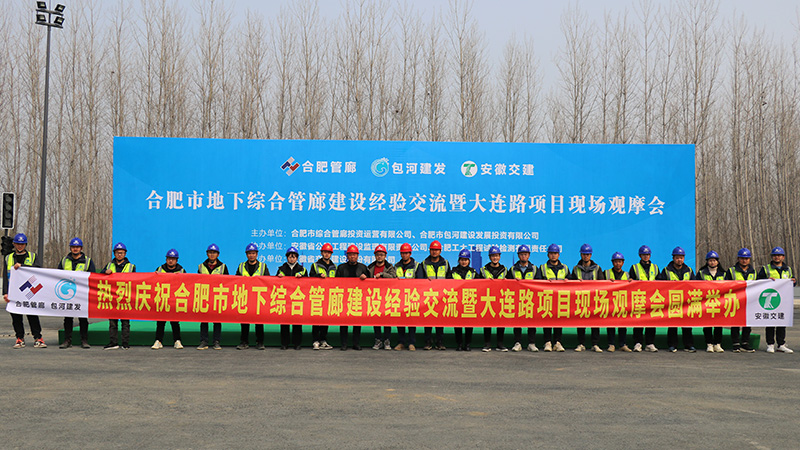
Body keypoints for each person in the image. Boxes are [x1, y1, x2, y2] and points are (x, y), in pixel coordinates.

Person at [3, 233, 45, 349]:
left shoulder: (32, 256)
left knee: (32, 315)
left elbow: (38, 270)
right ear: (14, 244)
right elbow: (5, 275)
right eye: (18, 244)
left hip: (29, 291)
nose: (20, 246)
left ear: (25, 244)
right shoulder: (8, 258)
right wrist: (5, 293)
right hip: (14, 292)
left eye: (22, 244)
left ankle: (38, 338)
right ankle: (19, 338)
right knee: (16, 317)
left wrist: (22, 266)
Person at [58, 237, 96, 349]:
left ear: (81, 248)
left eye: (77, 247)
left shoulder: (88, 261)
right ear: (70, 248)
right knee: (68, 318)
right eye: (73, 247)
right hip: (67, 294)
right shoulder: (64, 260)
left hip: (82, 294)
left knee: (83, 318)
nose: (75, 249)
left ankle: (84, 340)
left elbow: (93, 277)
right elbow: (57, 275)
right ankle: (67, 340)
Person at [657, 246, 695, 352]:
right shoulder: (666, 270)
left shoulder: (689, 270)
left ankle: (688, 345)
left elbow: (695, 284)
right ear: (673, 258)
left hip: (686, 302)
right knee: (672, 325)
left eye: (681, 258)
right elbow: (659, 285)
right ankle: (672, 345)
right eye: (677, 258)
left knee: (687, 325)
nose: (679, 260)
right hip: (672, 302)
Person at [758, 247, 795, 354]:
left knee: (782, 321)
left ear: (783, 257)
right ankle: (770, 344)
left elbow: (792, 281)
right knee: (770, 321)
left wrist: (794, 281)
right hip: (770, 299)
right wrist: (766, 280)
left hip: (783, 300)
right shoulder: (766, 269)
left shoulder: (788, 269)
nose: (777, 257)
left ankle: (781, 344)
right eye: (774, 255)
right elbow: (758, 281)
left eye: (779, 255)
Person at [415, 240, 450, 350]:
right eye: (432, 250)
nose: (434, 252)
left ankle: (440, 342)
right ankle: (428, 342)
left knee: (440, 320)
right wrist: (426, 280)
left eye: (436, 250)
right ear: (429, 250)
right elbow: (420, 279)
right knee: (428, 319)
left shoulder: (446, 263)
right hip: (428, 296)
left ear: (440, 251)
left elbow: (449, 279)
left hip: (441, 296)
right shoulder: (424, 264)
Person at [236, 243, 270, 350]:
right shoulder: (241, 266)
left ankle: (260, 342)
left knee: (259, 321)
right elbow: (236, 280)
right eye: (249, 253)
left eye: (253, 253)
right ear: (246, 255)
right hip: (245, 297)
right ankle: (244, 342)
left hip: (258, 297)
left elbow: (268, 280)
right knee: (244, 321)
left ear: (257, 254)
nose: (251, 255)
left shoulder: (263, 266)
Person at [571, 244, 604, 352]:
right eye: (584, 254)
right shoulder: (576, 269)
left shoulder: (597, 268)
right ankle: (581, 344)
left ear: (591, 255)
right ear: (581, 255)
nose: (586, 256)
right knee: (581, 323)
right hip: (581, 300)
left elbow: (603, 284)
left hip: (594, 300)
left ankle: (595, 344)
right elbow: (571, 284)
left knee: (595, 323)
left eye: (588, 254)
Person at [102, 242, 136, 350]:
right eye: (117, 253)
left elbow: (135, 281)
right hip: (112, 297)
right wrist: (105, 272)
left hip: (125, 298)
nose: (119, 255)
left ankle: (125, 343)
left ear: (125, 254)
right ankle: (113, 342)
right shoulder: (109, 265)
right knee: (112, 322)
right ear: (114, 254)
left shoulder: (131, 266)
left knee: (125, 322)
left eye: (121, 253)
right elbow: (99, 276)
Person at [506, 244, 539, 352]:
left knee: (532, 322)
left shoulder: (534, 269)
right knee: (517, 322)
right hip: (517, 299)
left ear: (529, 255)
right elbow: (507, 285)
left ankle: (531, 343)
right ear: (518, 255)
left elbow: (540, 284)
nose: (523, 256)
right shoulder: (512, 269)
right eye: (521, 254)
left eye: (525, 254)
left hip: (531, 299)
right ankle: (517, 343)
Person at [537, 243, 568, 352]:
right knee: (547, 320)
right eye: (551, 253)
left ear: (558, 255)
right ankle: (548, 342)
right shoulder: (542, 268)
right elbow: (537, 282)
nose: (553, 255)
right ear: (548, 255)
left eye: (555, 253)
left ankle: (558, 342)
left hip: (560, 299)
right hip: (547, 298)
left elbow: (571, 281)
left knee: (559, 321)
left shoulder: (565, 268)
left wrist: (568, 281)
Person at [336, 245, 368, 350]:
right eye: (350, 254)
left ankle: (356, 343)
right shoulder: (341, 268)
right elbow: (335, 283)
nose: (352, 256)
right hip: (344, 298)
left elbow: (370, 283)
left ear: (357, 256)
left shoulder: (363, 268)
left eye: (354, 254)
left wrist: (365, 278)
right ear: (347, 256)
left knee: (357, 322)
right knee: (343, 322)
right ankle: (344, 344)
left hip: (357, 298)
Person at [724, 248, 757, 352]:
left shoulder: (753, 272)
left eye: (746, 258)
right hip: (736, 300)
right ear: (738, 259)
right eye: (742, 258)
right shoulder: (731, 271)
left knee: (747, 323)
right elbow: (725, 284)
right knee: (735, 322)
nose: (744, 260)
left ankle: (745, 343)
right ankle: (736, 343)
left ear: (749, 259)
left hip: (749, 300)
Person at [197, 243, 228, 350]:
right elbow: (196, 281)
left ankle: (216, 341)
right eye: (210, 252)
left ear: (218, 255)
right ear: (207, 254)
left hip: (217, 296)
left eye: (214, 253)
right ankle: (204, 341)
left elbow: (228, 282)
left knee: (217, 320)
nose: (212, 254)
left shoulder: (223, 267)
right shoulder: (201, 266)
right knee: (204, 320)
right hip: (204, 296)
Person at [153, 249, 185, 349]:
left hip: (174, 300)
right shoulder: (160, 269)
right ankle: (158, 341)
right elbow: (153, 282)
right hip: (162, 299)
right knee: (160, 321)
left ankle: (177, 341)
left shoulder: (181, 271)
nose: (171, 261)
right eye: (169, 258)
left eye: (173, 259)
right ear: (166, 259)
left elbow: (186, 284)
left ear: (176, 260)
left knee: (175, 322)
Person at [477, 245, 507, 352]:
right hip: (488, 298)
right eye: (493, 256)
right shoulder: (483, 270)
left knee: (501, 322)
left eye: (497, 256)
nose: (495, 258)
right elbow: (478, 284)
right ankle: (487, 344)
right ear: (489, 257)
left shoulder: (504, 270)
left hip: (500, 299)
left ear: (499, 257)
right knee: (487, 321)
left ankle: (500, 344)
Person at [630, 245, 659, 352]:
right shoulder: (634, 267)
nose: (646, 257)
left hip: (652, 298)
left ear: (650, 255)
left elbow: (660, 282)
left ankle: (650, 343)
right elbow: (630, 282)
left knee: (651, 321)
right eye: (643, 255)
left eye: (647, 255)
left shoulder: (655, 267)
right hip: (639, 298)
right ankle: (638, 343)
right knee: (638, 321)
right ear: (640, 255)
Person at [276, 246, 306, 350]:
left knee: (297, 322)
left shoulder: (302, 269)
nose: (292, 259)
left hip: (297, 299)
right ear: (287, 257)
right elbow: (275, 283)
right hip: (284, 299)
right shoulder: (281, 269)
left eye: (294, 257)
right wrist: (279, 277)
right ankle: (284, 343)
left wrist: (302, 278)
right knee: (284, 322)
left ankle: (297, 343)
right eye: (290, 257)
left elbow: (308, 283)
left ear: (297, 258)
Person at [447, 248, 477, 351]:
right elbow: (447, 284)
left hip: (469, 301)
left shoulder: (473, 272)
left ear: (469, 261)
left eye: (466, 260)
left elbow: (480, 285)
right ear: (459, 260)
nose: (464, 262)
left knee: (469, 324)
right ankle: (459, 344)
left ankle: (468, 344)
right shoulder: (453, 272)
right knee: (457, 324)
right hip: (457, 300)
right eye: (462, 259)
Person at [368, 245, 396, 350]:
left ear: (385, 256)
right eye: (378, 255)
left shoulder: (390, 267)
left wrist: (382, 274)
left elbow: (393, 277)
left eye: (381, 255)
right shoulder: (370, 267)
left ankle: (387, 340)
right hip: (375, 296)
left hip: (387, 296)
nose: (379, 256)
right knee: (376, 319)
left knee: (387, 319)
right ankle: (378, 340)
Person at [696, 251, 725, 353]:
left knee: (719, 324)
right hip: (706, 303)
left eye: (714, 260)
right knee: (707, 324)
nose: (712, 262)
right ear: (707, 262)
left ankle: (718, 344)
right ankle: (709, 344)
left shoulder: (723, 273)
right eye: (710, 260)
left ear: (717, 262)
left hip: (719, 303)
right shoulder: (701, 273)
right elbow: (696, 286)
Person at [308, 243, 336, 350]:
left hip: (329, 295)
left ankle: (323, 340)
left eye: (329, 252)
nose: (327, 254)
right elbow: (310, 279)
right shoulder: (315, 265)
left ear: (331, 254)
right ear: (321, 253)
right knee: (316, 319)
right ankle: (315, 340)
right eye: (325, 252)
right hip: (317, 294)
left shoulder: (334, 267)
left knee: (325, 319)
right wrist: (318, 276)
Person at [393, 243, 418, 351]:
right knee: (400, 320)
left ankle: (411, 343)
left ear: (410, 254)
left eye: (406, 253)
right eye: (403, 253)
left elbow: (420, 281)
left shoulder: (416, 265)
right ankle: (401, 342)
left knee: (412, 320)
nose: (404, 255)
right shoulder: (396, 266)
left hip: (412, 296)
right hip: (399, 297)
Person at [605, 252, 631, 352]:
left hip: (622, 302)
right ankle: (611, 344)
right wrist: (607, 282)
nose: (618, 264)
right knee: (610, 324)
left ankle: (622, 344)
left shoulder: (627, 275)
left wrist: (631, 282)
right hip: (610, 302)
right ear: (612, 262)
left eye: (620, 261)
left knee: (623, 324)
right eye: (616, 261)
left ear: (623, 263)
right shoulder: (606, 273)